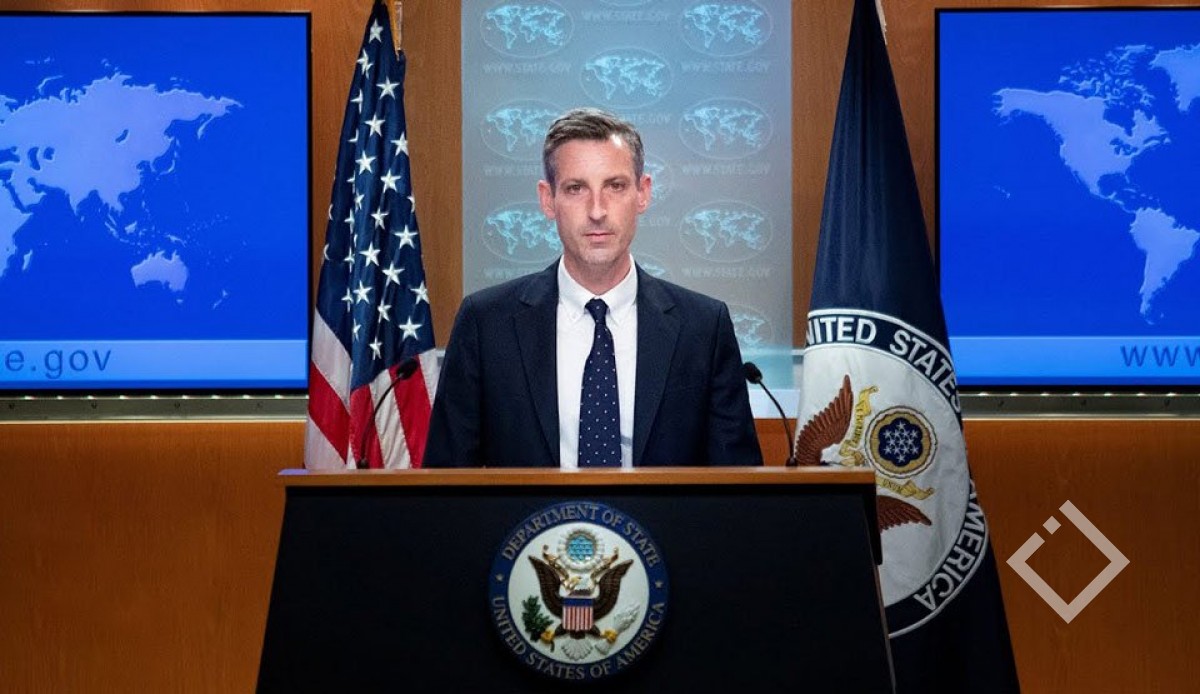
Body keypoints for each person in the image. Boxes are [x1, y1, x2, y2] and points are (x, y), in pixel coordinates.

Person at [423, 107, 761, 468]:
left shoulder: (704, 328)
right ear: (547, 199)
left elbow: (737, 485)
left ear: (643, 193)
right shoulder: (486, 324)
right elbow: (446, 482)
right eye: (575, 188)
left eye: (615, 186)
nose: (597, 211)